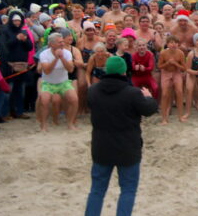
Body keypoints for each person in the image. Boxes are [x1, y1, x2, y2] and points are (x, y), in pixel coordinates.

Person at [85, 56, 158, 216]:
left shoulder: (93, 91)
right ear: (124, 71)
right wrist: (149, 97)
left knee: (97, 190)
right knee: (128, 190)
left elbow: (90, 105)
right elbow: (149, 110)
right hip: (127, 148)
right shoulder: (132, 93)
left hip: (101, 147)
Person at [37, 32, 78, 131]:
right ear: (51, 44)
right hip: (48, 83)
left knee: (74, 99)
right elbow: (46, 71)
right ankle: (44, 125)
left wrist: (62, 57)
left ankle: (70, 123)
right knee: (44, 100)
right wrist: (56, 58)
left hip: (63, 82)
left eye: (62, 42)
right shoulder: (44, 54)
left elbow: (70, 69)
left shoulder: (67, 53)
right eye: (59, 42)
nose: (62, 44)